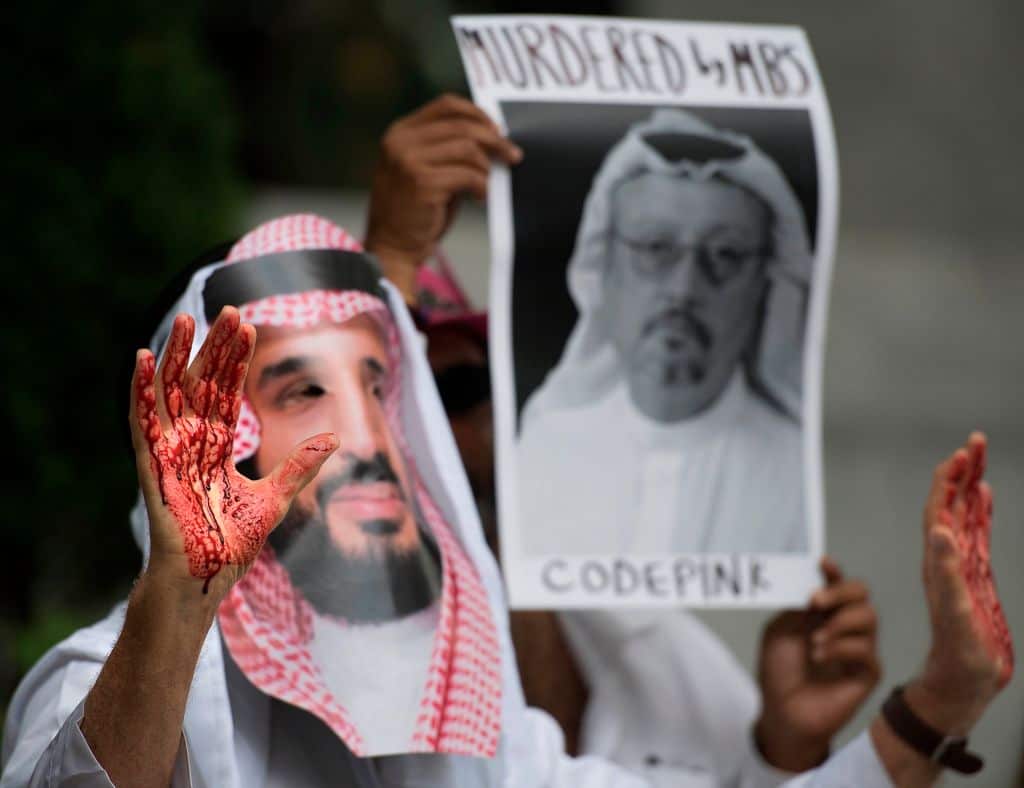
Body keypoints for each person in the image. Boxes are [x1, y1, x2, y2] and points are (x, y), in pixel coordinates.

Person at [0, 209, 1014, 787]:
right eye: (305, 388)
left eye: (378, 388)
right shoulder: (99, 678)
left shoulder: (469, 731)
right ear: (221, 434)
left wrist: (942, 697)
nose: (366, 437)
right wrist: (179, 596)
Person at [361, 95, 1013, 786]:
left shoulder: (647, 638)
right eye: (405, 397)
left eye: (462, 391)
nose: (442, 434)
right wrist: (388, 261)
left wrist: (783, 747)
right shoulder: (294, 642)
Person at [513, 108, 813, 556]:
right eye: (655, 248)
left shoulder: (795, 472)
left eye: (726, 255)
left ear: (762, 285)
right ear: (603, 270)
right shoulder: (542, 450)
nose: (683, 289)